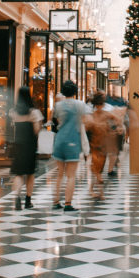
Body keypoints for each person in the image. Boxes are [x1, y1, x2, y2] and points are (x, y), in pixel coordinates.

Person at [51, 80, 86, 211]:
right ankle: (68, 203)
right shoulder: (80, 105)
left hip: (59, 140)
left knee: (59, 174)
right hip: (73, 140)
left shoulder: (58, 105)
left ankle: (55, 202)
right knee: (71, 175)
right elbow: (85, 120)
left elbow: (57, 120)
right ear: (75, 92)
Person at [83, 91, 124, 200]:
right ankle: (98, 189)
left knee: (97, 167)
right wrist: (117, 128)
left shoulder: (92, 116)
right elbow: (118, 120)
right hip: (100, 146)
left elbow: (86, 128)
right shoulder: (104, 115)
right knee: (97, 168)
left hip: (97, 145)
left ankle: (94, 189)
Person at [9, 86, 42, 210]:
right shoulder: (34, 113)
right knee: (30, 174)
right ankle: (28, 200)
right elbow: (36, 130)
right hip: (30, 146)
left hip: (18, 145)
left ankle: (17, 196)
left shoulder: (13, 112)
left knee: (18, 173)